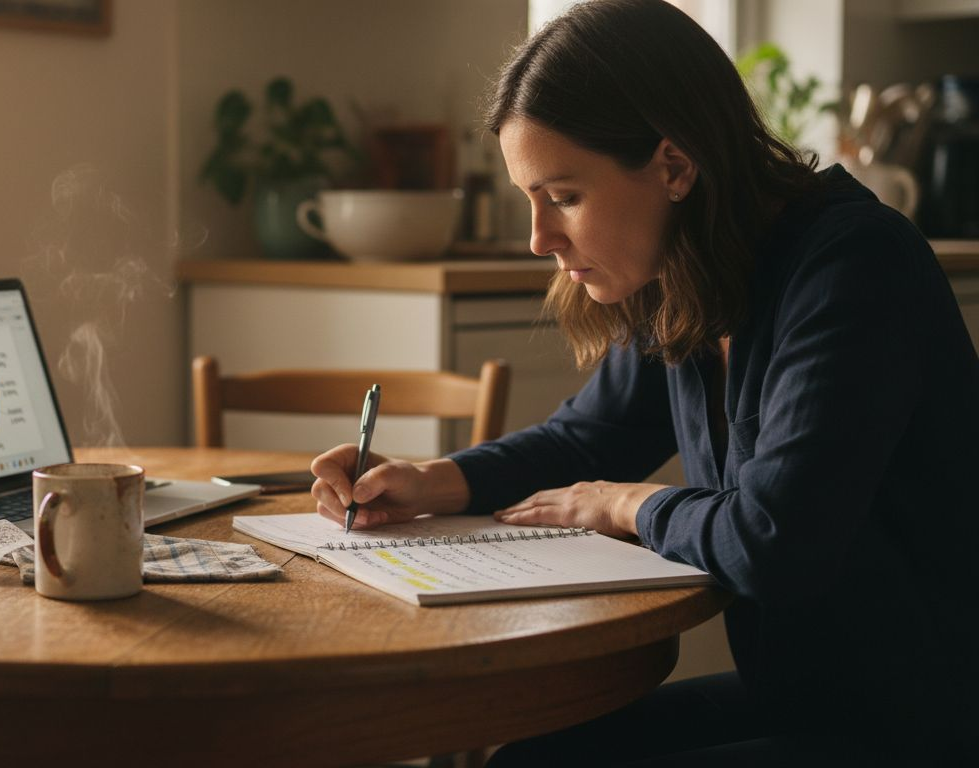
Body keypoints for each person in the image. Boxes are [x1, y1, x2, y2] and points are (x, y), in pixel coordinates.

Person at [309, 1, 979, 764]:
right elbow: (589, 435)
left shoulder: (855, 268)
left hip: (921, 721)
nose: (538, 239)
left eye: (563, 197)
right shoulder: (690, 272)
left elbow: (773, 541)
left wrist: (627, 504)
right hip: (808, 694)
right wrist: (435, 481)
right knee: (531, 761)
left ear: (673, 166)